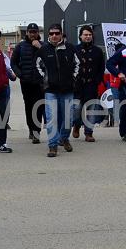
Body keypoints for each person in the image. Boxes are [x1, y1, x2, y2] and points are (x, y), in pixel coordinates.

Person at [36, 24, 80, 157]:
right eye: (51, 33)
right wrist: (45, 79)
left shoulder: (70, 48)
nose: (54, 36)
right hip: (51, 91)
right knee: (51, 118)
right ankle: (52, 145)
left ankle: (64, 138)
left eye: (57, 33)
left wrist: (73, 78)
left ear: (61, 34)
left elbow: (77, 65)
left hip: (67, 90)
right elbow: (37, 66)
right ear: (48, 35)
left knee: (68, 119)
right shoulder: (43, 50)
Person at [11, 22, 45, 144]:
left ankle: (36, 132)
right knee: (29, 106)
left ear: (38, 33)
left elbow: (49, 59)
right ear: (27, 33)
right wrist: (20, 74)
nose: (32, 34)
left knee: (39, 106)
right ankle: (31, 128)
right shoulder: (20, 46)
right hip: (26, 82)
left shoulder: (43, 45)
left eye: (35, 32)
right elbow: (13, 62)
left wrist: (40, 47)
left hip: (39, 82)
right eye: (30, 32)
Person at [71, 26, 106, 142]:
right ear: (80, 36)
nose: (88, 37)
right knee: (77, 109)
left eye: (90, 35)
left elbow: (101, 68)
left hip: (92, 85)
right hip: (77, 85)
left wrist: (97, 81)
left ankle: (89, 133)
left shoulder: (98, 51)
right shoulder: (74, 50)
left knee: (91, 110)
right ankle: (76, 125)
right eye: (85, 35)